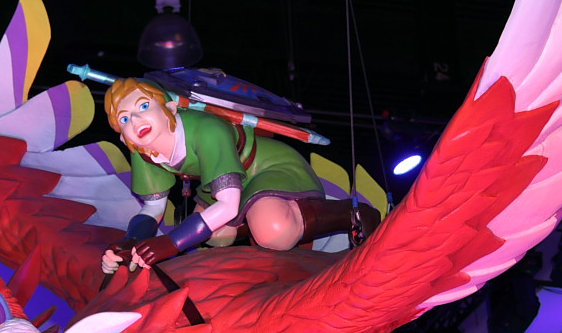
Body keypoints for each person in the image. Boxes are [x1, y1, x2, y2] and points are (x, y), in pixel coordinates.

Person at [101, 77, 377, 274]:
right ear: (122, 135)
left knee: (273, 231)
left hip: (266, 167)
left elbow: (227, 206)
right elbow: (153, 208)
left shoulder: (207, 129)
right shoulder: (143, 149)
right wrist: (131, 241)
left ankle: (352, 213)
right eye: (124, 119)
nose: (135, 121)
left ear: (170, 108)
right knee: (216, 235)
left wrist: (172, 243)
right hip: (222, 182)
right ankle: (256, 222)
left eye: (143, 107)